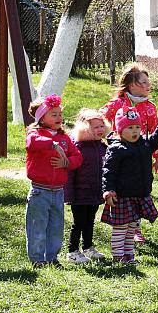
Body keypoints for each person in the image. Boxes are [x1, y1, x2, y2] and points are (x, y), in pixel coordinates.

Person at [101, 106, 158, 261]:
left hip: (138, 195)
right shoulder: (116, 149)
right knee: (121, 229)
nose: (135, 131)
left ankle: (129, 255)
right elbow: (108, 172)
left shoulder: (144, 144)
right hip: (122, 196)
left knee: (132, 228)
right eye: (130, 128)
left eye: (137, 127)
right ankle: (118, 256)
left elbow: (157, 138)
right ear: (120, 130)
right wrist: (108, 190)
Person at [24, 94, 83, 267]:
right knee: (37, 226)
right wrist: (52, 144)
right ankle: (37, 259)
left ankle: (52, 258)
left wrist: (67, 162)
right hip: (39, 191)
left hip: (58, 191)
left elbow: (77, 157)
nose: (59, 117)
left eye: (60, 114)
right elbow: (32, 143)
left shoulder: (64, 138)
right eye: (54, 114)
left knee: (56, 227)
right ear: (42, 118)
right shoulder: (35, 133)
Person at [100, 62, 158, 174]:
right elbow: (100, 116)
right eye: (144, 82)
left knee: (140, 178)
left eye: (148, 81)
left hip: (141, 151)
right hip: (119, 150)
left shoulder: (149, 107)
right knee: (118, 177)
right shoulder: (117, 103)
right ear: (132, 86)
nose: (148, 85)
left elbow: (155, 132)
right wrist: (104, 135)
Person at [66, 109, 109, 264]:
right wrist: (69, 194)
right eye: (95, 127)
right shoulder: (78, 147)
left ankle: (88, 247)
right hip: (80, 193)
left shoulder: (102, 146)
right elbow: (70, 172)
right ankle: (72, 251)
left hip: (95, 192)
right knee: (78, 222)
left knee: (90, 220)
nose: (100, 129)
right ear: (85, 129)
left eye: (102, 126)